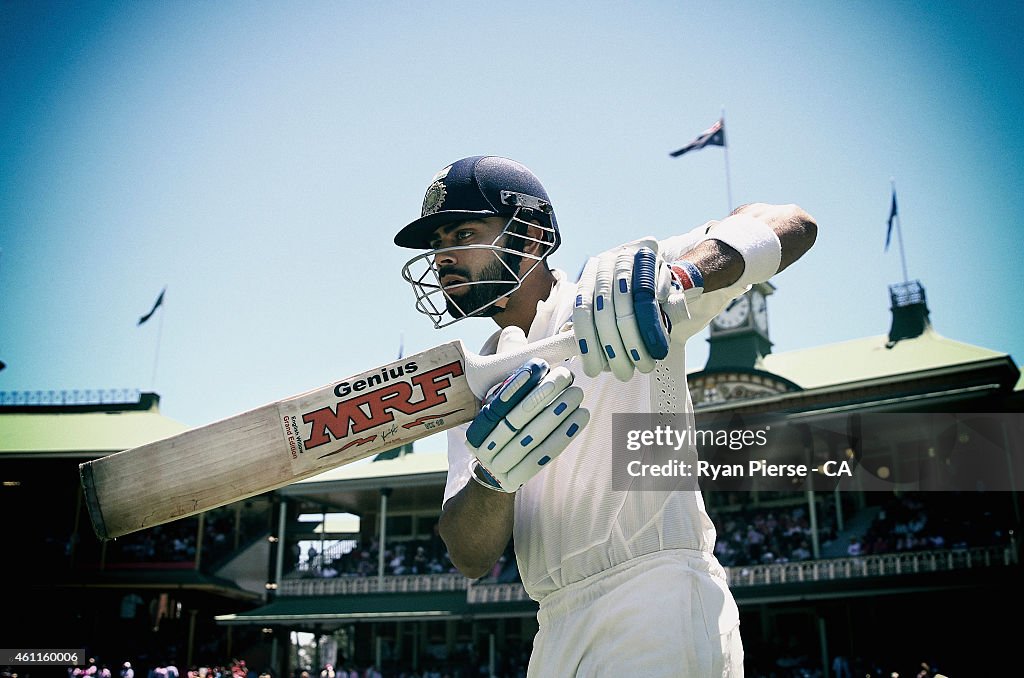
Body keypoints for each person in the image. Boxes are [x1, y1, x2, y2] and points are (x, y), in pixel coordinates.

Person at [393, 155, 817, 676]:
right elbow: (470, 556)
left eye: (462, 233)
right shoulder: (477, 376)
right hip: (555, 621)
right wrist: (493, 476)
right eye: (436, 245)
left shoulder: (613, 285)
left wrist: (677, 281)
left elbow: (790, 223)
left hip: (655, 594)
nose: (442, 257)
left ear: (528, 237)